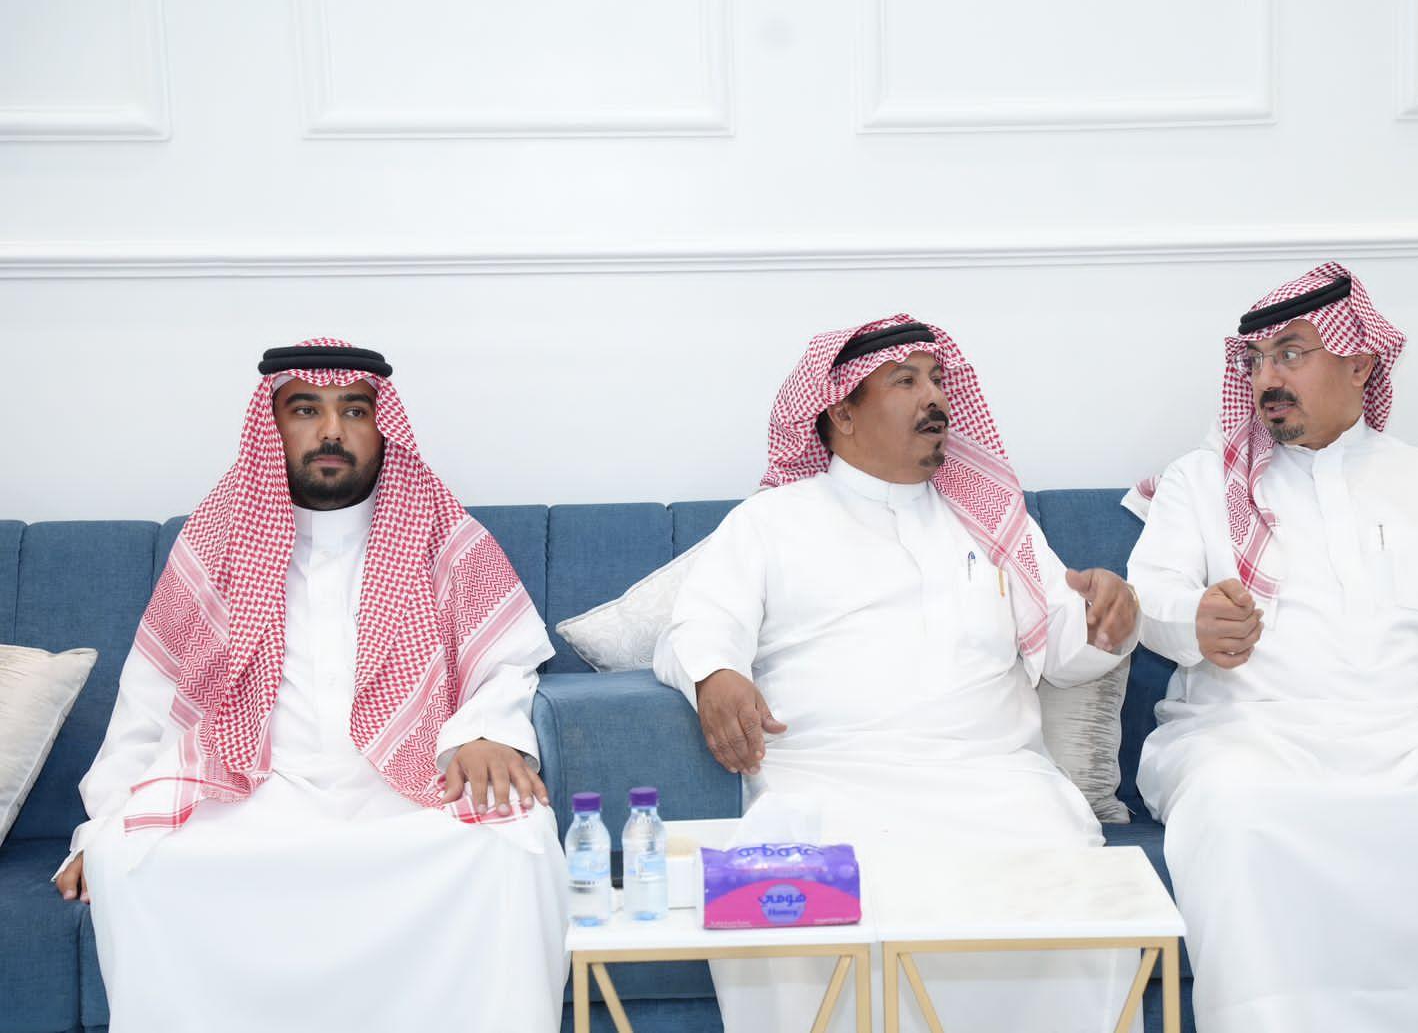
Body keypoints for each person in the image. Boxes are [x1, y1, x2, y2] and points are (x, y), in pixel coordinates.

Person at [1124, 263, 1418, 1032]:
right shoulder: (1201, 483)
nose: (1267, 378)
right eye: (1256, 360)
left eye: (1291, 354)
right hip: (1258, 739)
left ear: (1360, 362)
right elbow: (1149, 600)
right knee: (1236, 812)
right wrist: (1195, 621)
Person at [54, 339, 567, 1033]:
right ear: (273, 426)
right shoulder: (217, 539)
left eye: (354, 410)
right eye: (306, 410)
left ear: (381, 427)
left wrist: (484, 733)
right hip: (255, 794)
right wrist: (100, 826)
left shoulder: (440, 531)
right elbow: (150, 699)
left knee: (519, 841)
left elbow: (507, 662)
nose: (331, 430)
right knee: (128, 856)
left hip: (404, 791)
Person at [656, 316, 1141, 1032]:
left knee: (1063, 876)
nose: (935, 397)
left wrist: (1108, 623)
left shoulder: (992, 521)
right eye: (906, 381)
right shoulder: (771, 522)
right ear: (842, 413)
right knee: (798, 880)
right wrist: (716, 675)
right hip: (828, 782)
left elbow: (1064, 651)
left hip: (994, 783)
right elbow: (697, 625)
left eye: (938, 380)